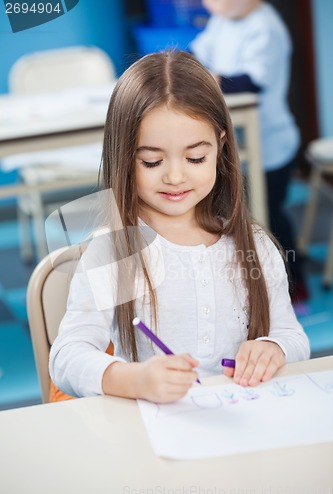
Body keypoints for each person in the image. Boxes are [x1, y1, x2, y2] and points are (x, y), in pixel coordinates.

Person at [49, 50, 310, 404]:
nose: (174, 176)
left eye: (195, 158)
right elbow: (66, 357)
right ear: (124, 156)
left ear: (220, 147)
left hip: (243, 422)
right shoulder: (118, 250)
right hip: (151, 433)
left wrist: (272, 347)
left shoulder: (252, 244)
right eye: (152, 161)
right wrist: (133, 379)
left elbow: (293, 337)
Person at [190, 0, 308, 303]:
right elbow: (196, 55)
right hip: (238, 145)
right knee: (240, 214)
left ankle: (295, 285)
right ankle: (253, 286)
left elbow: (251, 82)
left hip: (270, 146)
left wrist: (210, 80)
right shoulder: (222, 21)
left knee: (269, 219)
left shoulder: (265, 27)